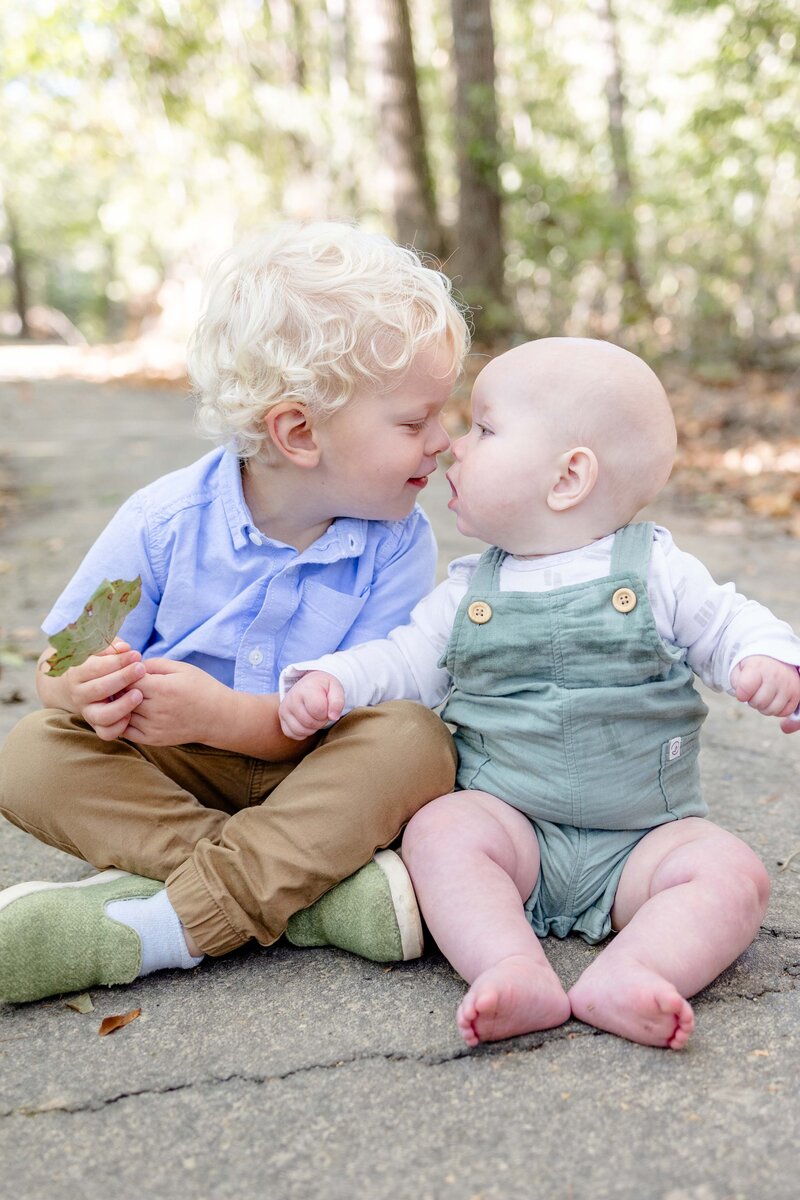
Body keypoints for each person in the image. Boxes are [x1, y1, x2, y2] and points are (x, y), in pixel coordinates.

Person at [278, 337, 800, 1051]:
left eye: (484, 430)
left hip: (643, 843)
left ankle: (637, 968)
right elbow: (406, 660)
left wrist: (767, 659)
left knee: (732, 874)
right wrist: (336, 679)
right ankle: (509, 964)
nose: (454, 448)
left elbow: (729, 621)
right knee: (440, 831)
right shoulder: (470, 589)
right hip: (513, 834)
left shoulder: (654, 569)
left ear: (567, 478)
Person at [0, 220, 470, 1005]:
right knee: (32, 753)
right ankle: (307, 895)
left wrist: (222, 715)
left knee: (414, 739)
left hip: (317, 772)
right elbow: (68, 655)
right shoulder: (164, 525)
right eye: (415, 421)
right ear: (297, 432)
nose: (445, 441)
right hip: (176, 774)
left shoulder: (394, 542)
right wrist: (80, 687)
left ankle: (165, 922)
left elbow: (362, 704)